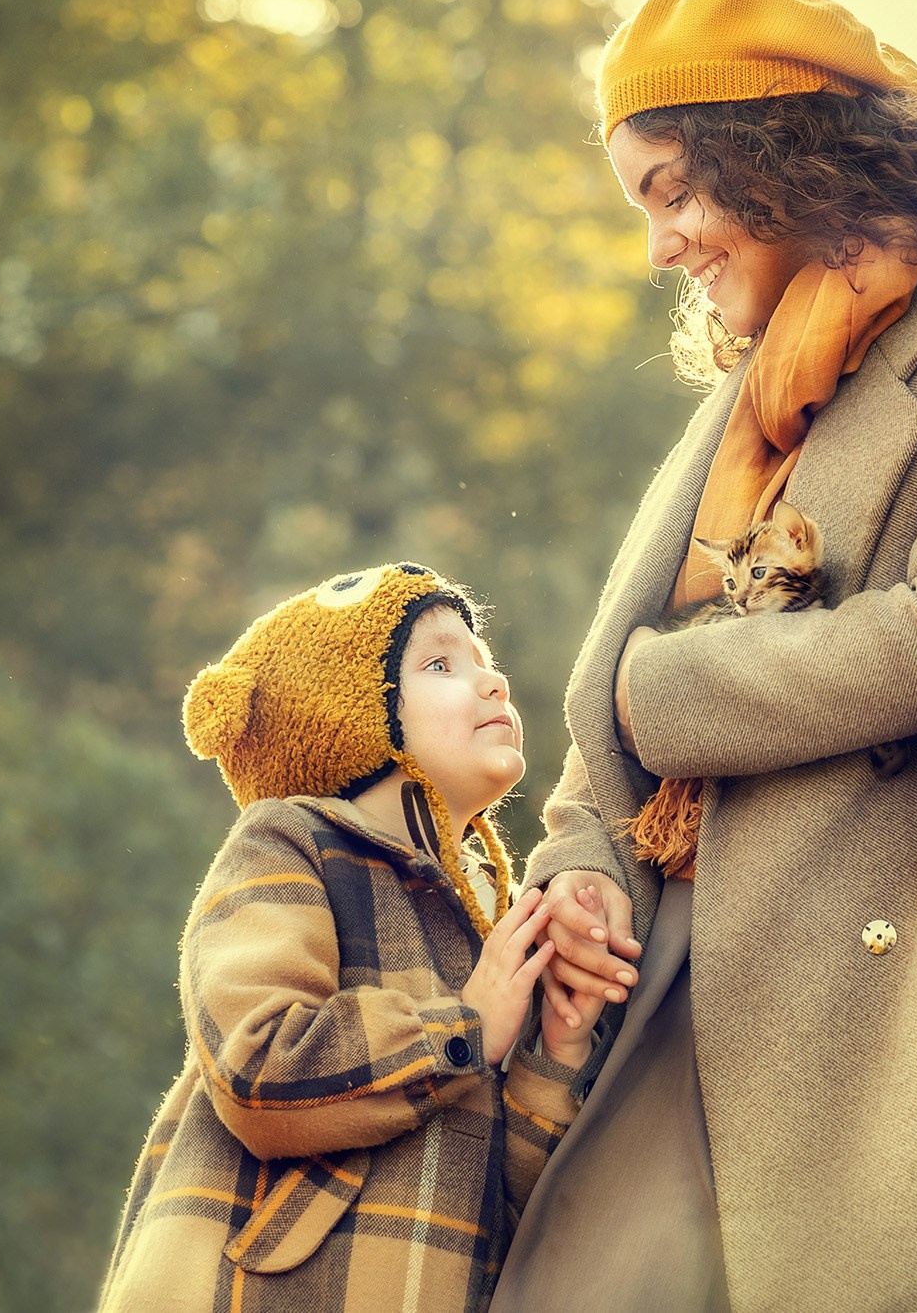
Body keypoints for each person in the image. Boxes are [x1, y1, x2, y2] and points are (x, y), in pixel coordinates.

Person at [495, 0, 917, 1313]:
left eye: (675, 190)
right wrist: (583, 877)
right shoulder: (758, 381)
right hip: (670, 987)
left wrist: (666, 694)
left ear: (779, 149)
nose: (659, 246)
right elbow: (602, 744)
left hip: (897, 987)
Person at [99, 562, 608, 1313]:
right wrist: (464, 1027)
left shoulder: (487, 924)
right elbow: (257, 1064)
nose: (493, 681)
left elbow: (497, 1216)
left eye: (486, 660)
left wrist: (554, 1055)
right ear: (348, 711)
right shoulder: (289, 840)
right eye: (441, 663)